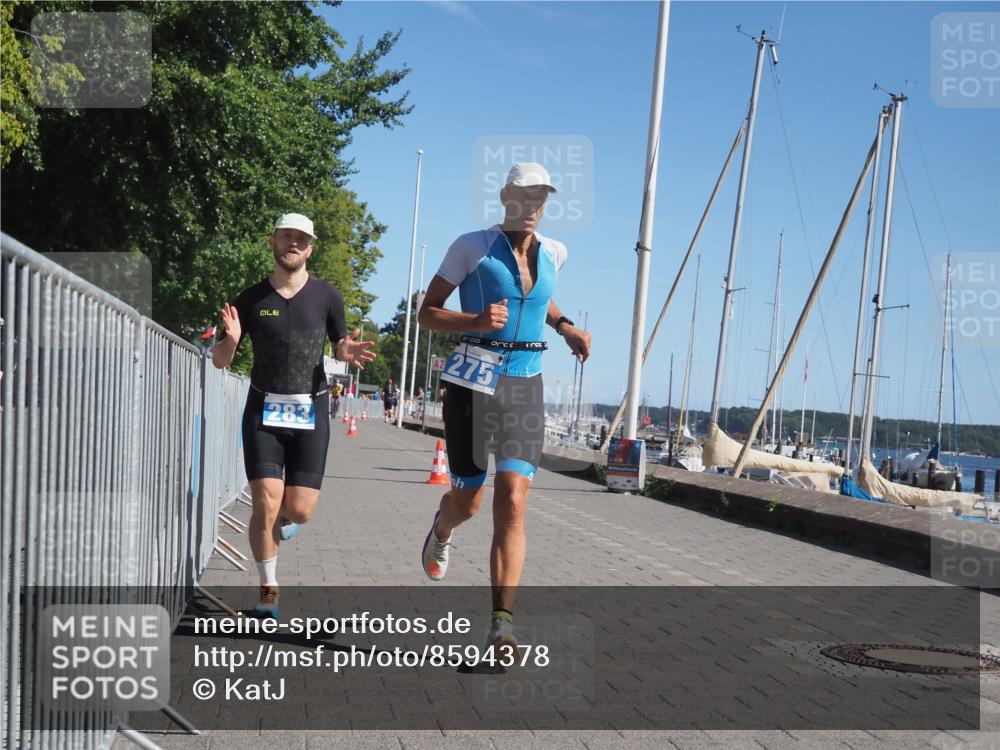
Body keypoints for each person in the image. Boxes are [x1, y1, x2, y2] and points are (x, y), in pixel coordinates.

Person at [416, 163, 591, 654]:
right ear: (505, 196)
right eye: (525, 195)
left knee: (512, 501)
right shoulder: (470, 245)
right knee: (469, 502)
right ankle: (442, 527)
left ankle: (501, 624)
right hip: (473, 383)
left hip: (524, 387)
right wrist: (474, 318)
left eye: (542, 197)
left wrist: (567, 327)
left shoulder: (556, 251)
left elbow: (542, 298)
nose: (533, 205)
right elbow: (426, 311)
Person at [212, 213, 375, 618]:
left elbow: (340, 344)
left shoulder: (327, 296)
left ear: (310, 248)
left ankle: (288, 516)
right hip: (263, 409)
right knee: (265, 502)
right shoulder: (250, 299)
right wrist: (229, 342)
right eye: (287, 236)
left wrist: (346, 352)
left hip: (311, 409)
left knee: (298, 509)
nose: (293, 243)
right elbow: (219, 361)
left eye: (302, 239)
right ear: (273, 242)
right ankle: (268, 590)